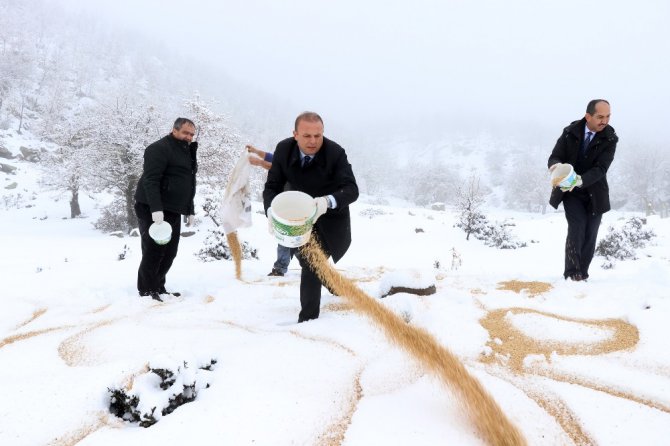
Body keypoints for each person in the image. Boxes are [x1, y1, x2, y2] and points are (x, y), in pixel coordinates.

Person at [263, 112, 358, 322]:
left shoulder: (335, 153)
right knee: (311, 261)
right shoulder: (283, 149)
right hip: (298, 216)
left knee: (311, 263)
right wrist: (271, 210)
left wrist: (327, 201)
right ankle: (336, 287)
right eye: (307, 136)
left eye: (318, 135)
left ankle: (308, 320)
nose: (313, 141)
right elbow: (272, 185)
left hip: (329, 217)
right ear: (295, 134)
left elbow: (352, 189)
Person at [548, 99, 618, 281]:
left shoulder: (610, 138)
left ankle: (582, 273)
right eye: (600, 116)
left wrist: (580, 180)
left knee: (590, 233)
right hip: (570, 192)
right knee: (577, 227)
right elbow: (555, 156)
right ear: (588, 116)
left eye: (608, 116)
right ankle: (572, 273)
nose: (605, 120)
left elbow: (601, 169)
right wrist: (555, 167)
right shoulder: (570, 132)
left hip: (596, 193)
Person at [134, 118, 198, 301]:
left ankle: (159, 286)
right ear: (174, 130)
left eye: (192, 134)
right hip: (151, 207)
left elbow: (189, 182)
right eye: (186, 133)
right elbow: (150, 180)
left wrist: (190, 209)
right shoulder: (158, 148)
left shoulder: (187, 151)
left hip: (172, 209)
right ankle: (146, 290)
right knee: (154, 250)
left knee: (170, 251)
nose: (189, 137)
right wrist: (156, 209)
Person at [247, 144, 293, 276]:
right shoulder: (283, 157)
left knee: (297, 236)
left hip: (295, 202)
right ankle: (280, 268)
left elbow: (278, 169)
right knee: (285, 234)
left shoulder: (295, 161)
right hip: (284, 202)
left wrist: (259, 162)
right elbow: (271, 157)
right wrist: (256, 151)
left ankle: (311, 264)